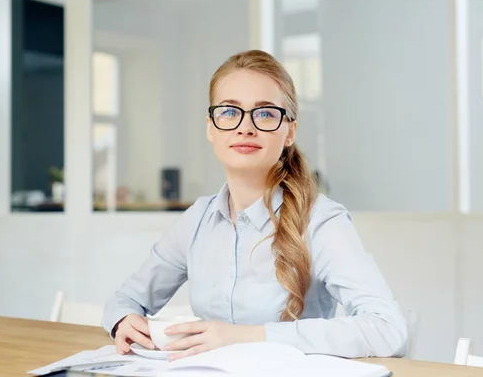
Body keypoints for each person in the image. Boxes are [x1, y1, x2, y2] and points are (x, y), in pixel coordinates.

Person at [102, 49, 407, 360]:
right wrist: (123, 321)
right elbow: (126, 299)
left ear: (290, 131)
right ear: (211, 127)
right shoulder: (198, 220)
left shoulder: (321, 221)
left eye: (264, 114)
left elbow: (386, 329)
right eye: (229, 112)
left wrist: (246, 337)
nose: (245, 127)